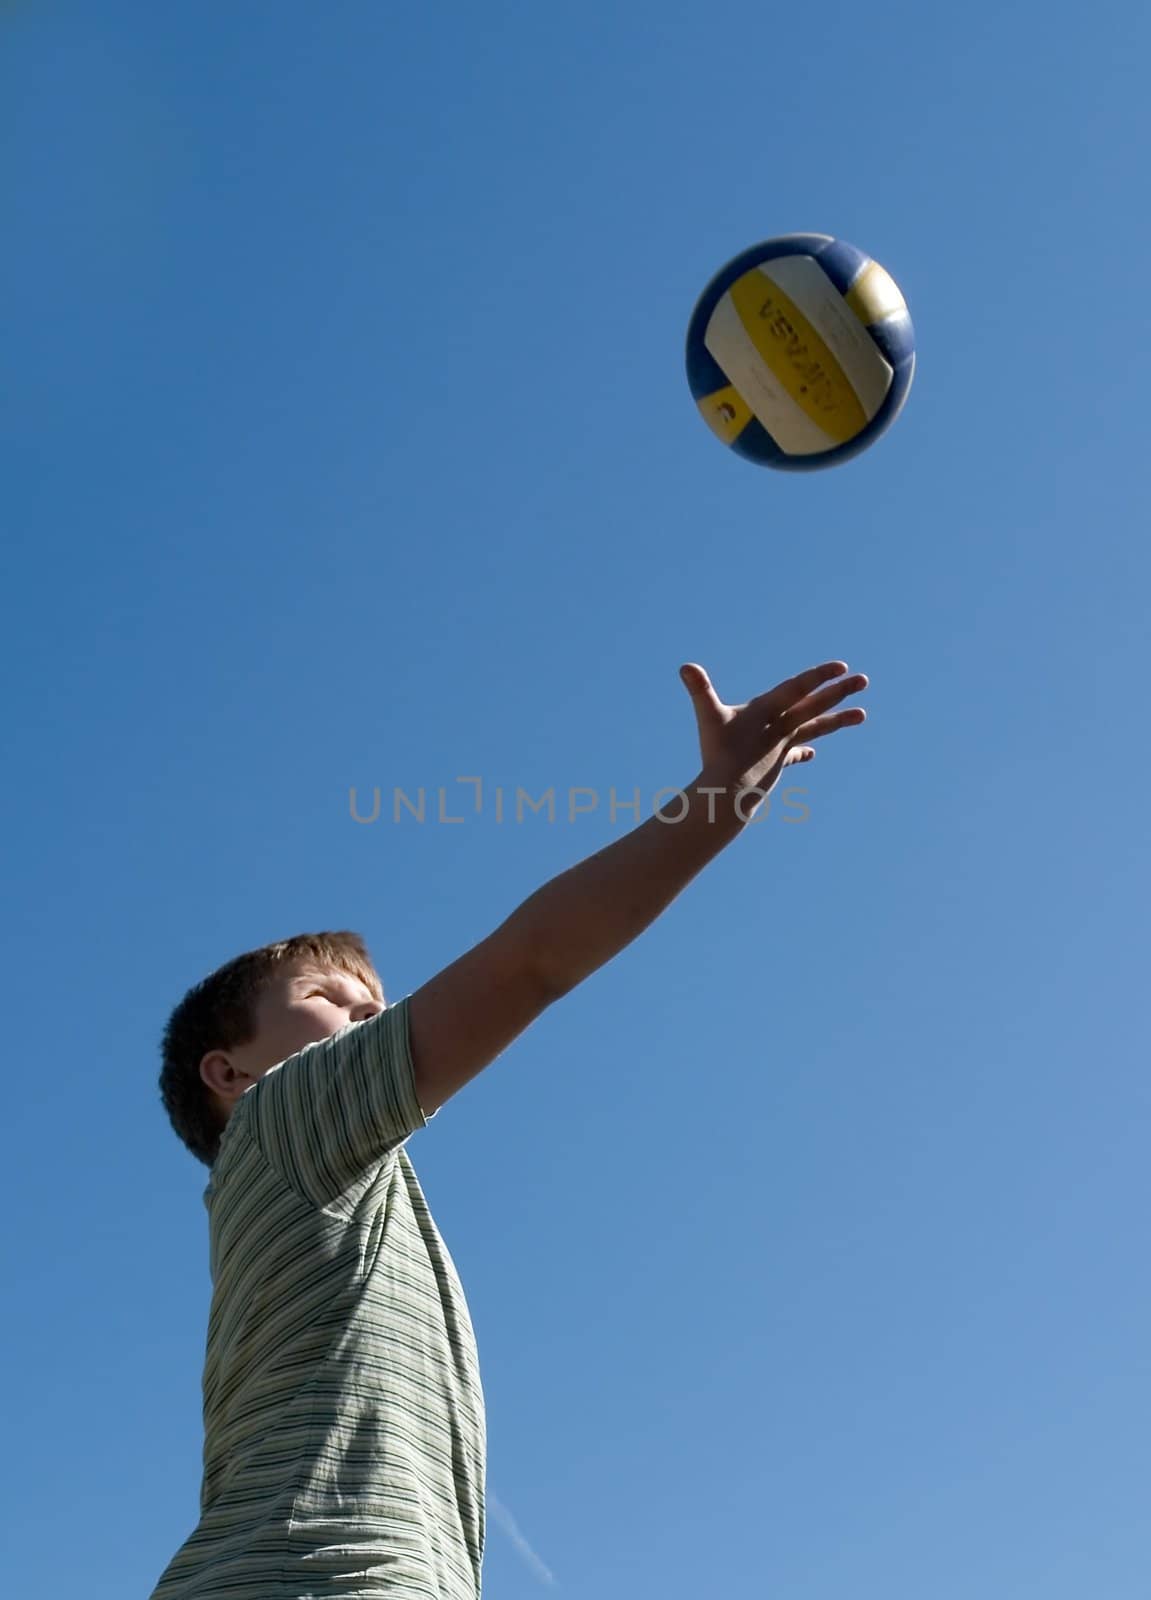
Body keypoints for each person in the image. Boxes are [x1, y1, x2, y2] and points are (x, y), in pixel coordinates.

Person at [150, 659, 867, 1599]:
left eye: (381, 1001)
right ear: (228, 1073)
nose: (372, 1014)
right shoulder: (284, 1120)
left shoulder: (323, 1199)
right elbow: (529, 962)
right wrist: (717, 798)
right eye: (331, 998)